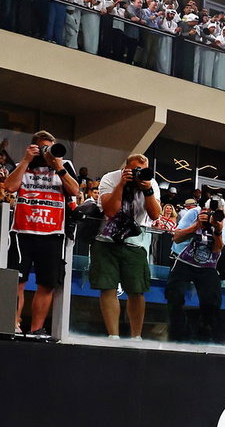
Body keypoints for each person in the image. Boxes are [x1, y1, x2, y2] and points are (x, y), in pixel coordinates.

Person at [2, 131, 78, 336]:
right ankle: (12, 325)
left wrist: (58, 167)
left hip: (53, 233)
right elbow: (9, 186)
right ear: (34, 147)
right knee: (17, 281)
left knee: (47, 284)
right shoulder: (23, 164)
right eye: (44, 148)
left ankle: (37, 329)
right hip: (22, 232)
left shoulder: (64, 165)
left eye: (50, 148)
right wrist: (26, 160)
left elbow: (75, 191)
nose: (48, 152)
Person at [92, 153, 161, 338]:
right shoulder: (110, 178)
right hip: (106, 240)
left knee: (137, 290)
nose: (139, 173)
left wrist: (148, 190)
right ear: (126, 168)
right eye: (135, 170)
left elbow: (155, 215)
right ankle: (113, 335)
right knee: (108, 287)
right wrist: (121, 184)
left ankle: (136, 336)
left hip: (136, 243)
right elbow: (110, 210)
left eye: (143, 170)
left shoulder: (150, 183)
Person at [166, 196, 225, 343]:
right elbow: (176, 238)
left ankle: (205, 334)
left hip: (208, 264)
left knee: (212, 301)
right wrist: (196, 226)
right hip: (184, 258)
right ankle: (176, 333)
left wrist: (218, 231)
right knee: (174, 294)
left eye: (218, 212)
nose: (213, 215)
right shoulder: (193, 213)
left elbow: (217, 249)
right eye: (210, 211)